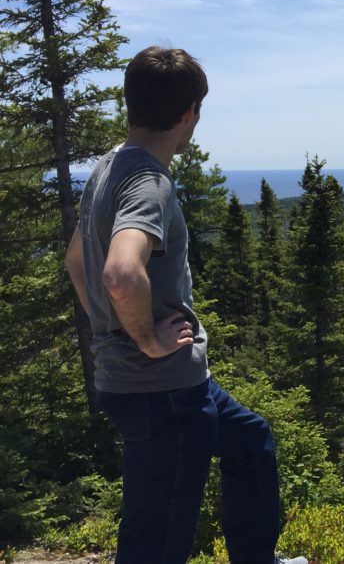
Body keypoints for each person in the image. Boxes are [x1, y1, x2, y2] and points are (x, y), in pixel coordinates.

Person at [63, 46, 306, 564]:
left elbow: (75, 262)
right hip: (161, 391)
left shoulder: (108, 167)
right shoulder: (149, 181)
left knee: (250, 440)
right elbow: (121, 273)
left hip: (168, 381)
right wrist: (146, 340)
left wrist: (108, 329)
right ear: (190, 113)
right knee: (158, 540)